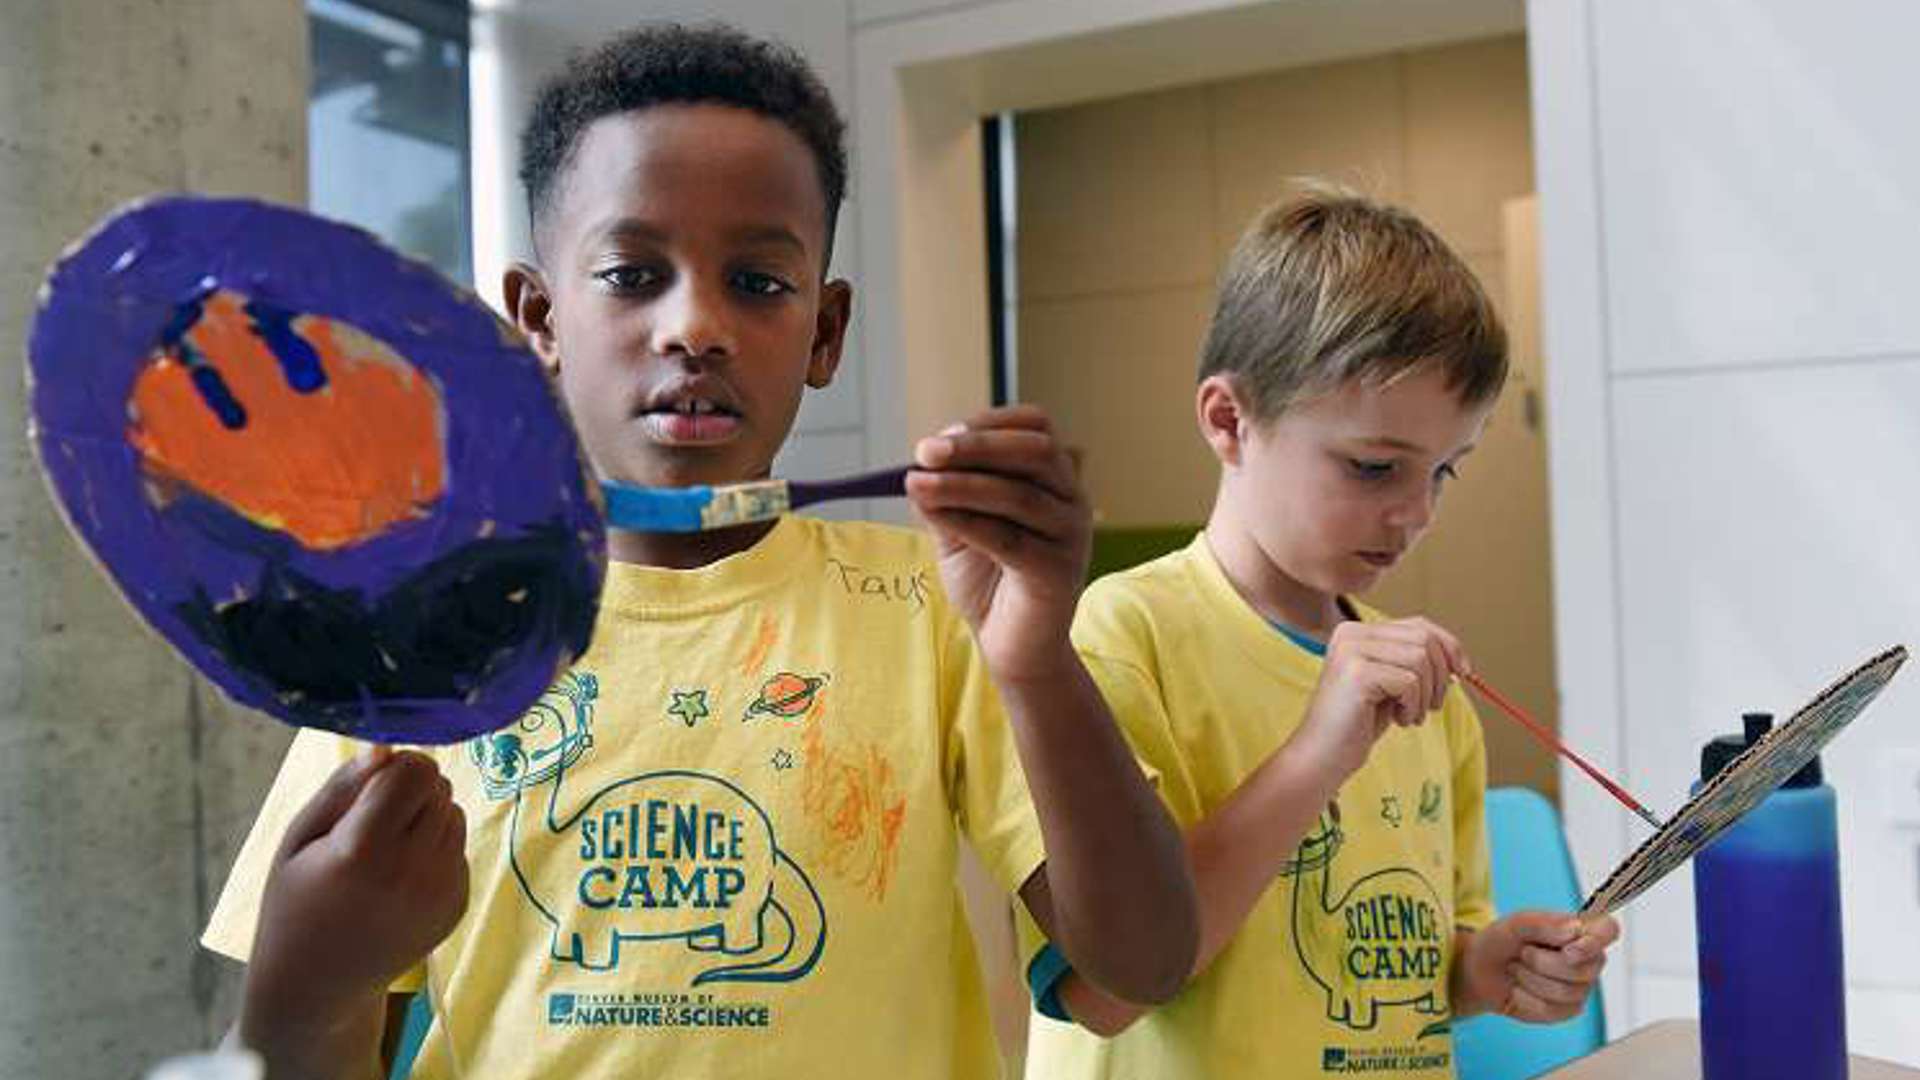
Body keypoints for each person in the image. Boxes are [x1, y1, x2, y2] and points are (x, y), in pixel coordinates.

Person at [204, 23, 1195, 1079]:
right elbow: (287, 1054)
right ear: (538, 320)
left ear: (826, 331)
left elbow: (1140, 963)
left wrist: (1037, 662)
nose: (696, 327)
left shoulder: (936, 607)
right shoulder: (415, 636)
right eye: (633, 274)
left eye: (760, 284)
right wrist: (306, 990)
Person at [1019, 189, 1620, 1079]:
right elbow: (1109, 991)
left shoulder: (1429, 693)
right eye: (1374, 466)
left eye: (1443, 472)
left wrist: (1481, 969)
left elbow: (1413, 963)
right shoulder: (1117, 639)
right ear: (1229, 421)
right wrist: (1317, 754)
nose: (1416, 513)